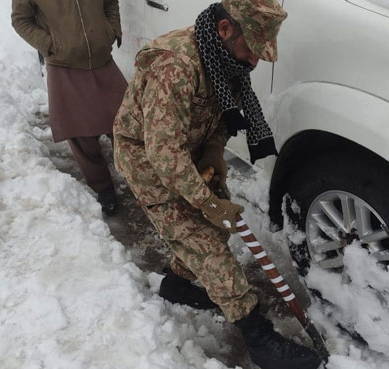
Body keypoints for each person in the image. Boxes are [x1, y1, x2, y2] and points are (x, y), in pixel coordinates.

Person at [113, 1, 326, 368]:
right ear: (226, 29)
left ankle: (178, 283)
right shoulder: (175, 66)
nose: (254, 62)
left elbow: (221, 116)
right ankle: (258, 338)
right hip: (148, 161)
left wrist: (213, 151)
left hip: (188, 152)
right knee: (209, 247)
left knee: (214, 227)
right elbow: (163, 153)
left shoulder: (227, 61)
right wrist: (205, 201)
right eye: (251, 49)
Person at [11, 0, 127, 216]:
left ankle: (141, 178)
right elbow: (20, 20)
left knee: (126, 122)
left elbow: (111, 2)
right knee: (81, 132)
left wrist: (111, 31)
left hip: (103, 59)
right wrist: (50, 44)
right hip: (64, 65)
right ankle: (103, 188)